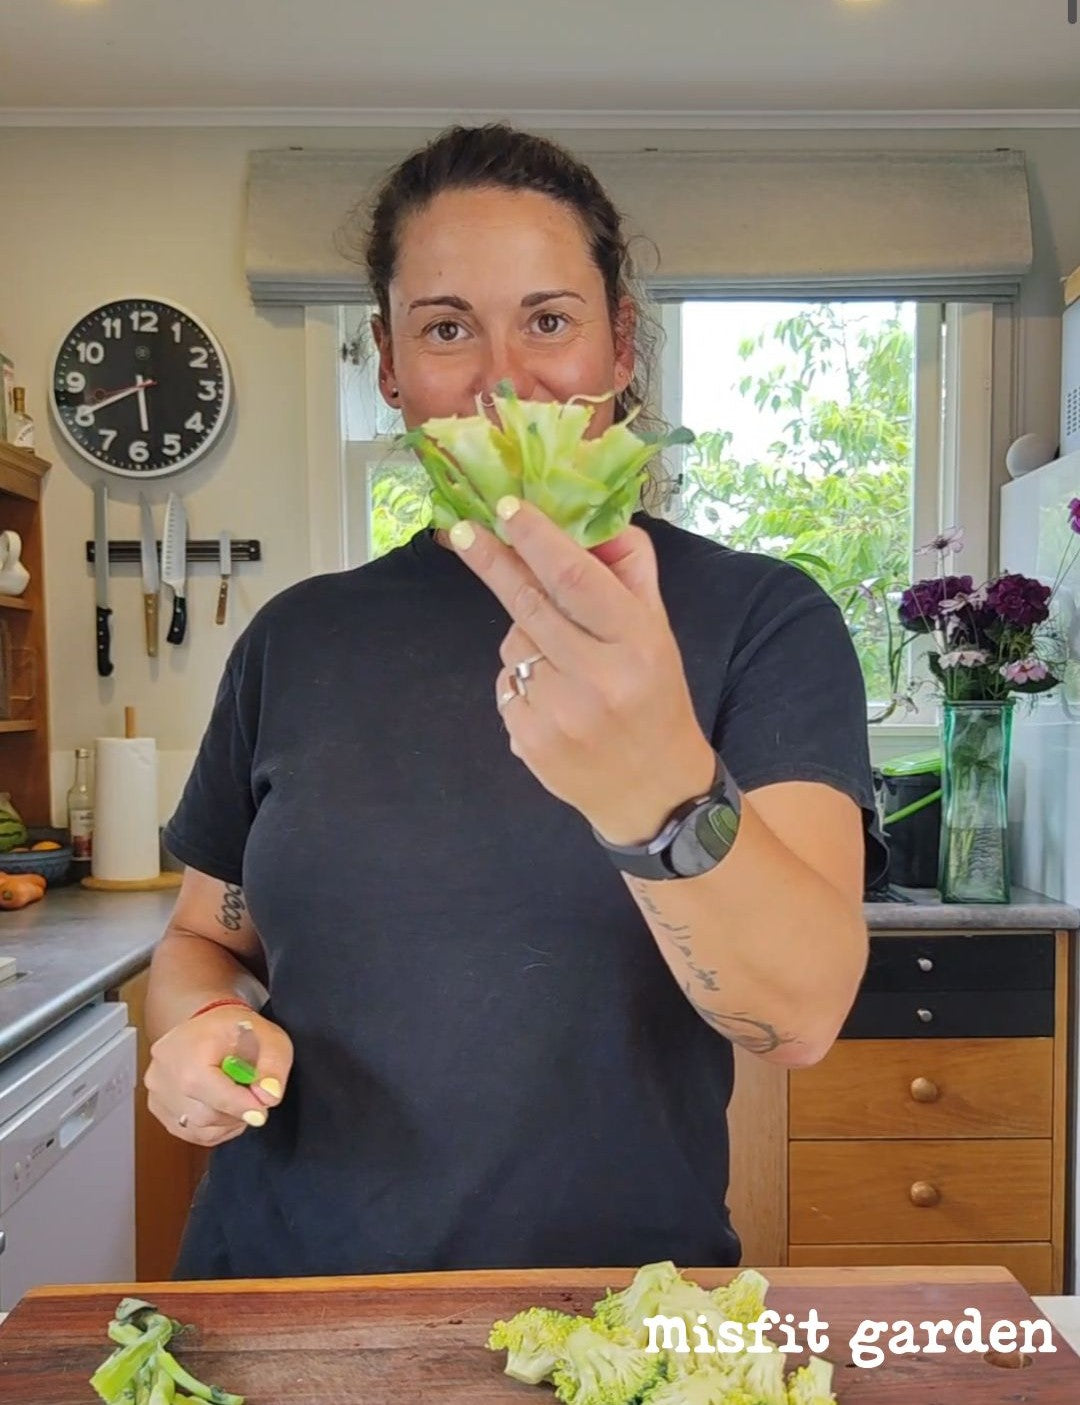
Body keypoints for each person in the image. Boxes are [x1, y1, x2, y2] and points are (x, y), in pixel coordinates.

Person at [145, 121, 887, 1280]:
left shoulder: (761, 620)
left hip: (608, 1316)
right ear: (390, 366)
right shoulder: (295, 637)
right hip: (281, 1300)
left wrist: (655, 786)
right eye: (447, 328)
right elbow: (204, 935)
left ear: (620, 345)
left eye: (549, 320)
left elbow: (797, 1014)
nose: (502, 381)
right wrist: (205, 1024)